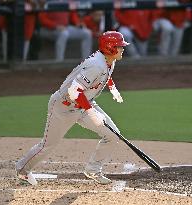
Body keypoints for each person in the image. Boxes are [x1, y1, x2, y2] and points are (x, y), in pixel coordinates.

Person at [15, 31, 129, 185]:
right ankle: (22, 170)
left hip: (84, 103)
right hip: (64, 107)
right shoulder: (96, 65)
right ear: (110, 48)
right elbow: (74, 91)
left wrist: (113, 89)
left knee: (113, 135)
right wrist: (91, 112)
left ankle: (93, 170)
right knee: (48, 145)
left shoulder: (109, 60)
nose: (122, 49)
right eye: (119, 47)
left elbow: (105, 75)